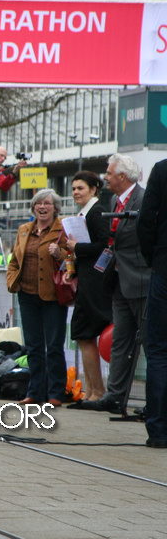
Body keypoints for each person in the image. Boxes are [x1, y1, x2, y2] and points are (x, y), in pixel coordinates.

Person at [78, 154, 150, 414]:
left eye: (109, 173)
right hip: (118, 281)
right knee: (121, 340)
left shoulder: (143, 199)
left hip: (141, 281)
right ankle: (115, 396)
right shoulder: (114, 201)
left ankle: (155, 402)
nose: (105, 177)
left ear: (122, 176)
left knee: (149, 342)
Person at [6, 189, 68, 406]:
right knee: (33, 347)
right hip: (27, 294)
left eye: (47, 203)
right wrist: (12, 280)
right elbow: (15, 260)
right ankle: (34, 392)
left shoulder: (63, 229)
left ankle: (56, 393)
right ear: (33, 207)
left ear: (55, 208)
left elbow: (73, 258)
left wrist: (60, 254)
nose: (42, 207)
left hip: (53, 296)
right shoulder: (24, 230)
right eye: (38, 203)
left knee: (54, 346)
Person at [64, 171, 111, 403]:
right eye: (73, 188)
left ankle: (97, 392)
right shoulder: (85, 213)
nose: (75, 192)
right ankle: (91, 391)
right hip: (86, 280)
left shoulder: (96, 212)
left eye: (80, 188)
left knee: (86, 333)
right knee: (84, 336)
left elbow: (105, 245)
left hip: (95, 284)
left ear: (93, 189)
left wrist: (78, 248)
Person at [138, 158, 167, 448]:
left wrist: (154, 258)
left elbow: (146, 220)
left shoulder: (162, 169)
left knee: (158, 351)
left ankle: (159, 430)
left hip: (164, 267)